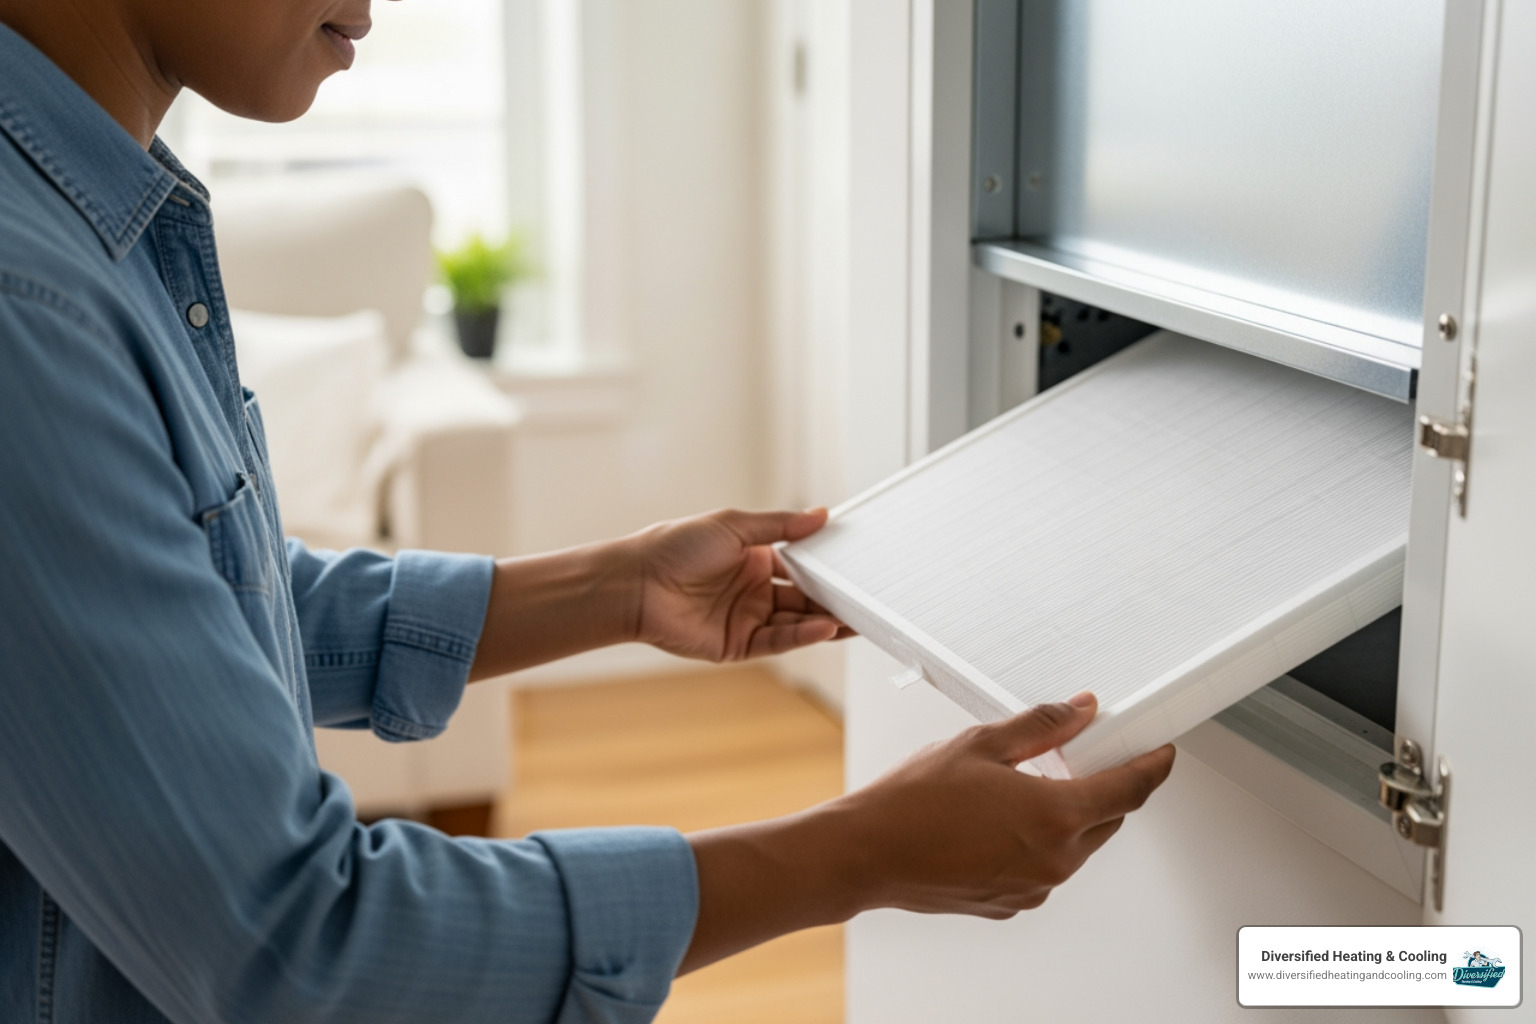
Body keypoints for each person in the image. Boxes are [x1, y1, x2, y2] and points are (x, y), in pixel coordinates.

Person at [0, 0, 1177, 1021]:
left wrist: (615, 589)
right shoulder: (28, 302)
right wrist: (858, 850)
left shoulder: (94, 233)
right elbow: (300, 951)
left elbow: (203, 605)